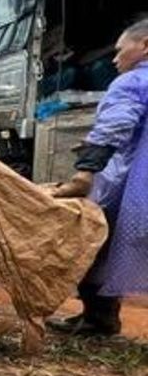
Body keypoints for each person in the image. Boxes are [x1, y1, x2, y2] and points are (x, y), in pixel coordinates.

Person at [51, 18, 148, 335]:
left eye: (120, 50)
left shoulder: (133, 81)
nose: (114, 59)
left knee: (94, 243)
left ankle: (99, 318)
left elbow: (116, 125)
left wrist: (85, 171)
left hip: (133, 185)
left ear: (145, 45)